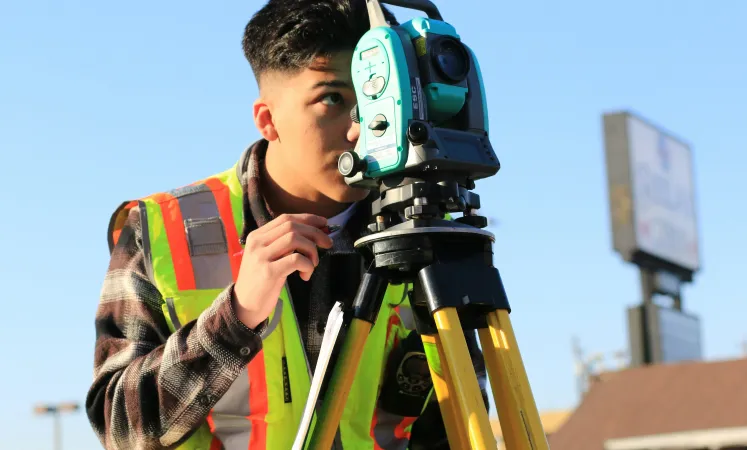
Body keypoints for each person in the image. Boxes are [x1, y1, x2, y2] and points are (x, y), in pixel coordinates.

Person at [86, 0, 488, 449]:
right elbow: (120, 428)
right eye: (332, 99)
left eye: (374, 96)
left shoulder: (423, 230)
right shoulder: (159, 229)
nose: (361, 129)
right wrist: (236, 315)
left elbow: (456, 427)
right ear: (268, 119)